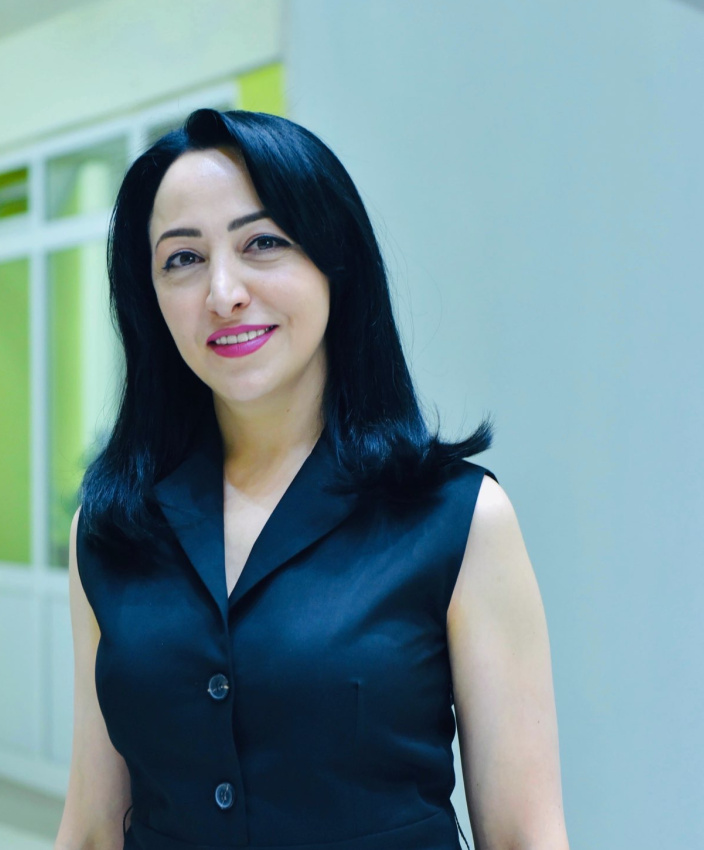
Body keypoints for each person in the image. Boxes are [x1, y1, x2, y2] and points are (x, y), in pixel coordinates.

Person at [54, 108, 570, 850]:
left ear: (335, 260)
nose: (222, 292)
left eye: (263, 242)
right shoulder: (110, 531)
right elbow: (93, 826)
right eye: (182, 258)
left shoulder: (458, 519)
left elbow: (524, 836)